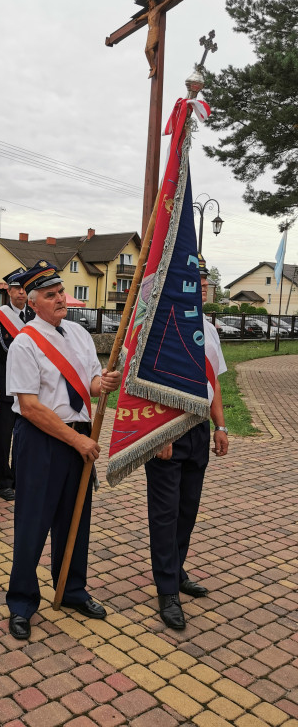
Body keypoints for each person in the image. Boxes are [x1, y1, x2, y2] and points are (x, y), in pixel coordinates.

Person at [5, 260, 121, 640]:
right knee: (33, 524)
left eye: (61, 293)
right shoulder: (24, 342)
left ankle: (71, 589)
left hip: (78, 438)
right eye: (50, 295)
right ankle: (21, 602)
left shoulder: (79, 334)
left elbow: (86, 383)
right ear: (33, 302)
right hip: (41, 441)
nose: (60, 300)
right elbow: (30, 406)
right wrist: (77, 441)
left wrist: (101, 383)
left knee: (75, 521)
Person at [145, 253, 228, 630]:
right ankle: (166, 590)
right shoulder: (161, 323)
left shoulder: (208, 327)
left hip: (198, 430)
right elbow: (144, 383)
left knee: (187, 510)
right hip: (168, 430)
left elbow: (215, 382)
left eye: (206, 278)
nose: (203, 284)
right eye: (197, 278)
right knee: (164, 514)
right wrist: (159, 432)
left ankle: (176, 571)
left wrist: (221, 427)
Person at [0, 267, 35, 501]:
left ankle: (19, 476)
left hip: (28, 389)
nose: (21, 293)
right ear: (8, 290)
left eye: (24, 289)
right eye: (16, 288)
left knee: (25, 437)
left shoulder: (34, 317)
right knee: (3, 438)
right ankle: (3, 481)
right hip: (5, 389)